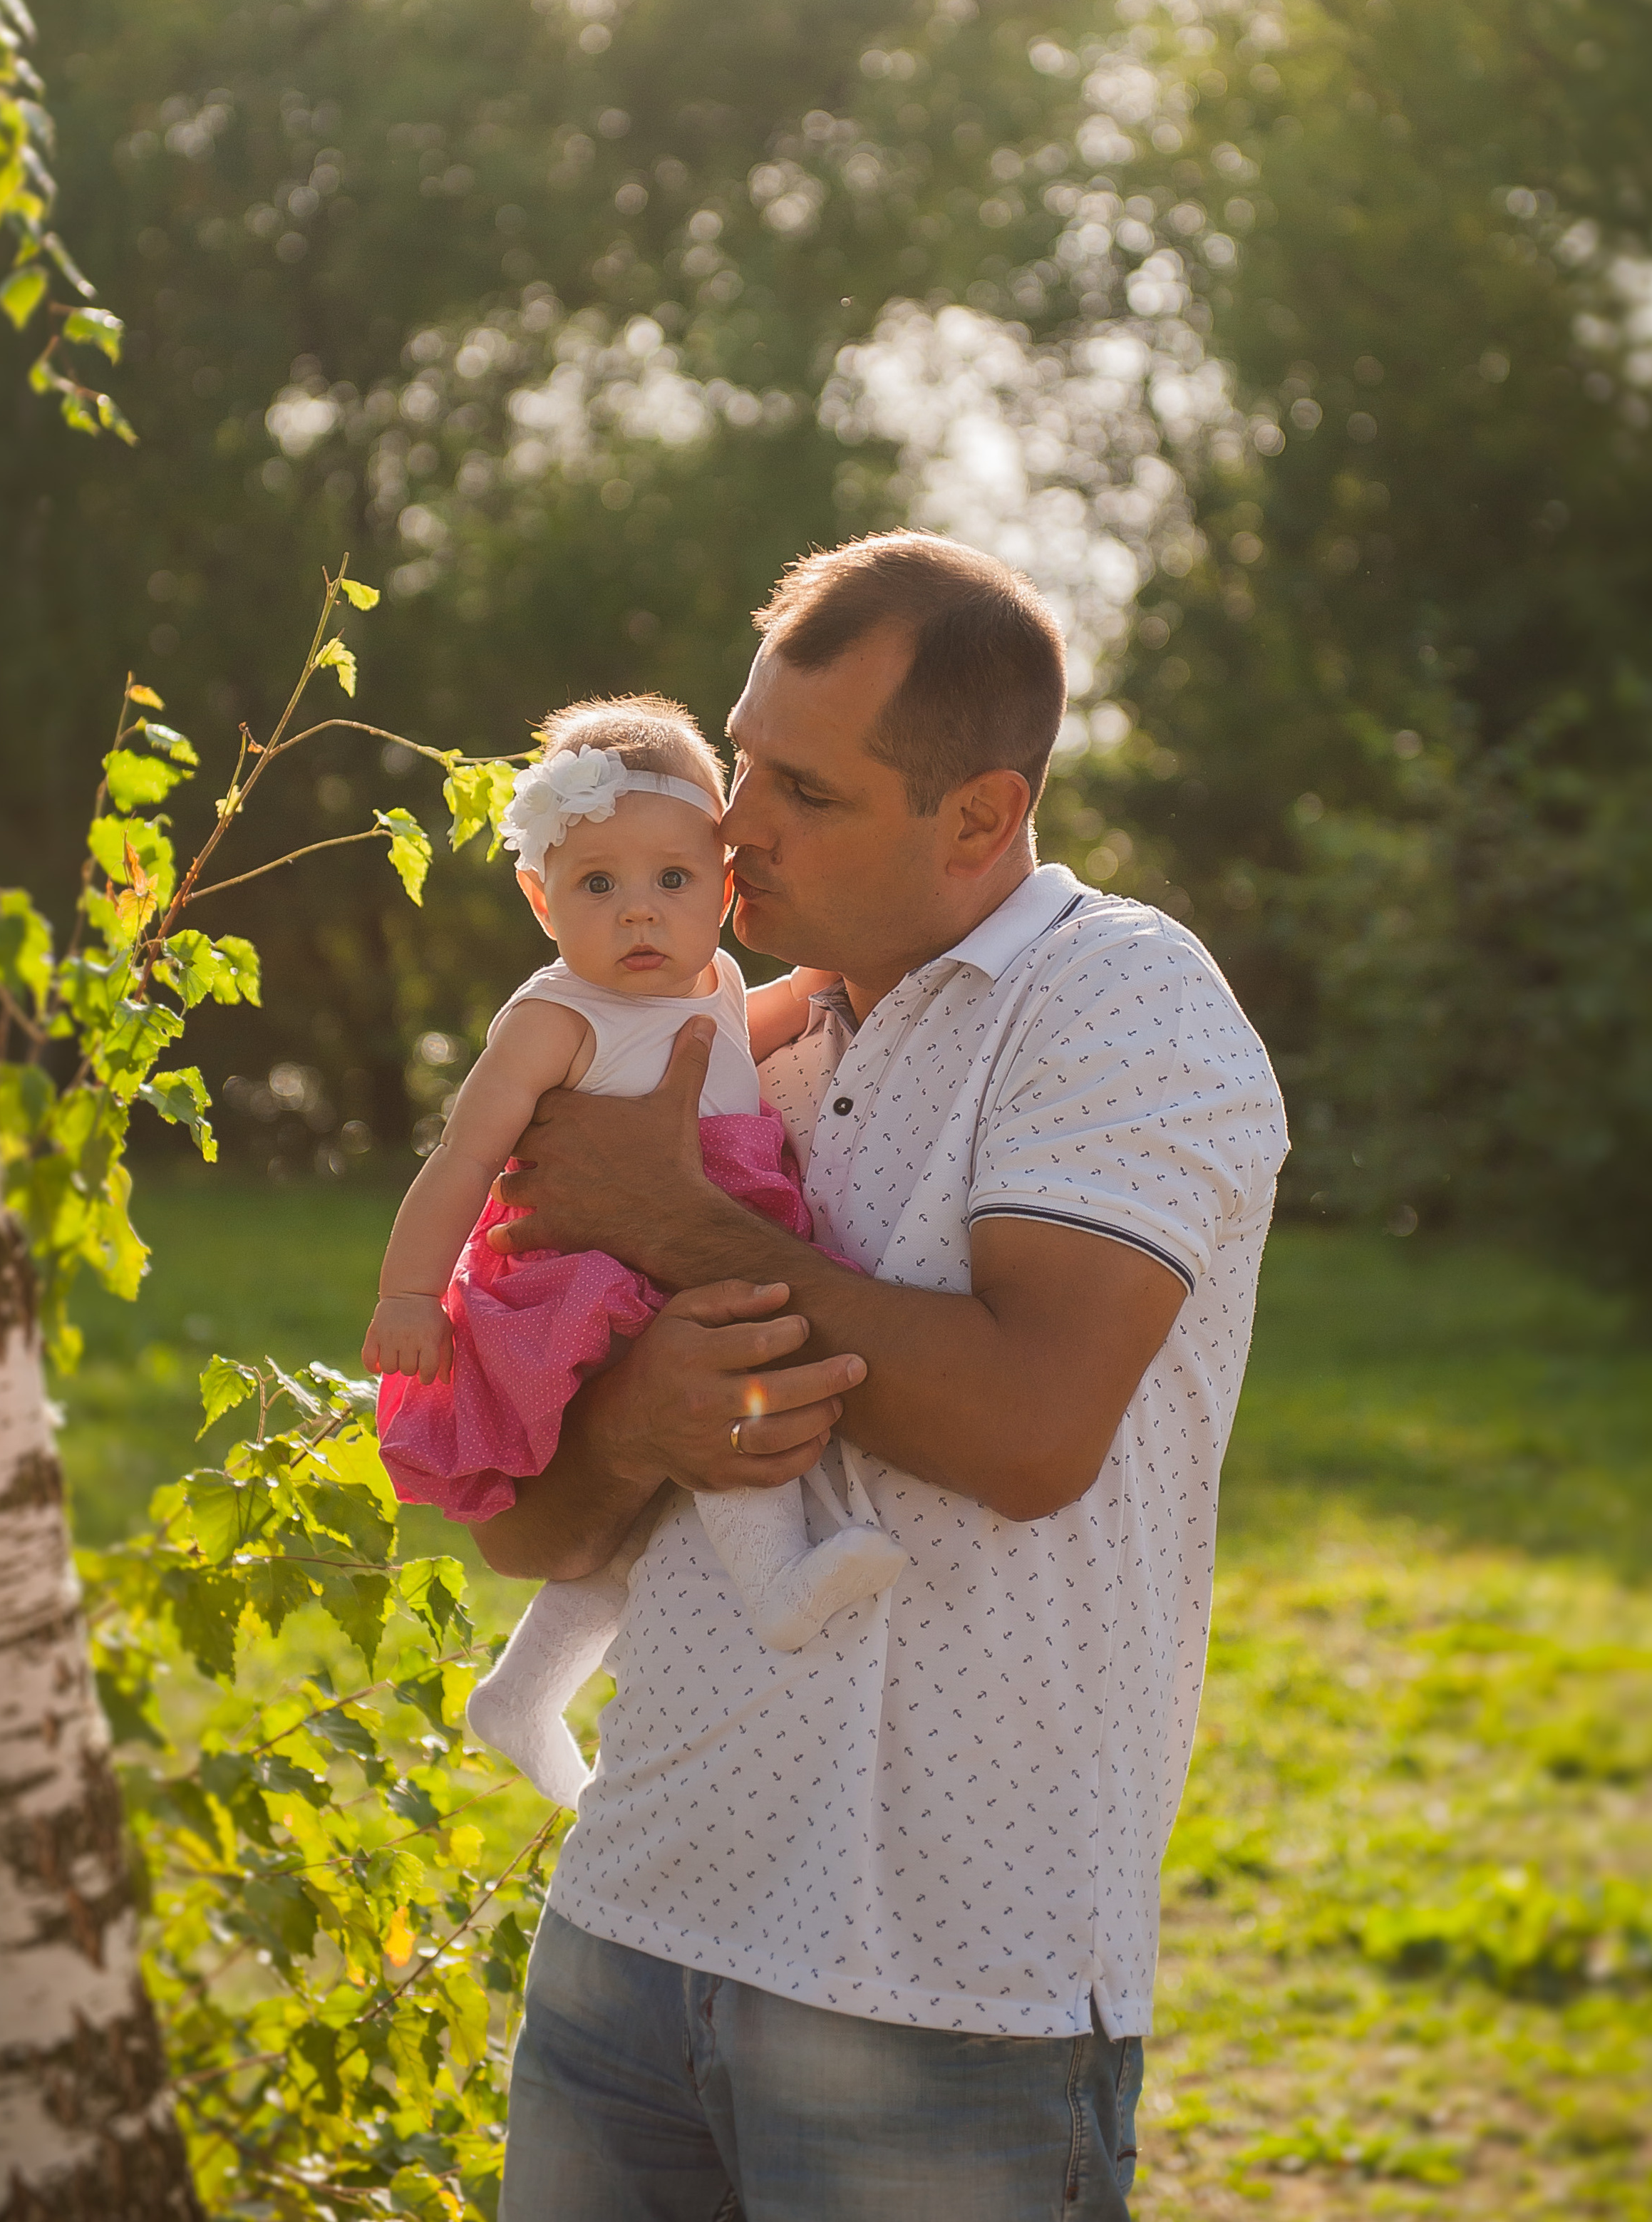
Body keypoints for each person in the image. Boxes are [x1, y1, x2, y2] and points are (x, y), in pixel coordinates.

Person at [473, 532, 1289, 2222]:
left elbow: (1026, 1426)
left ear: (980, 817)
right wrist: (630, 1414)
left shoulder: (1120, 1002)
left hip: (944, 1982)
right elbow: (532, 1529)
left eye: (808, 792)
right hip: (633, 1916)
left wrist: (668, 1220)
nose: (732, 821)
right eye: (743, 755)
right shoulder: (712, 1040)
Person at [363, 693, 904, 1809]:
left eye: (673, 880)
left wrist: (813, 995)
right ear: (539, 895)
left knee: (649, 1499)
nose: (641, 915)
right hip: (594, 1285)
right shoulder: (553, 1018)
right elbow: (463, 1159)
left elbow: (714, 1052)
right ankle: (779, 1587)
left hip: (688, 1236)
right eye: (597, 884)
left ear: (723, 885)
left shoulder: (712, 982)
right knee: (715, 1397)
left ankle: (521, 1693)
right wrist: (409, 1290)